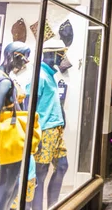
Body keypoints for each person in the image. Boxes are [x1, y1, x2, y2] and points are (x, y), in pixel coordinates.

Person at [33, 38, 68, 209]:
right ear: (52, 54)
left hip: (55, 130)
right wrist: (34, 135)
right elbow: (30, 107)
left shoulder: (49, 75)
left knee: (62, 165)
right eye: (61, 54)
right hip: (44, 131)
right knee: (40, 173)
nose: (63, 58)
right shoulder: (39, 76)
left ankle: (53, 205)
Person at [0, 42, 33, 209]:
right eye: (25, 57)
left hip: (7, 135)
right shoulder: (4, 81)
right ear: (14, 55)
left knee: (11, 182)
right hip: (8, 137)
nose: (26, 62)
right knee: (8, 183)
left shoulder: (5, 77)